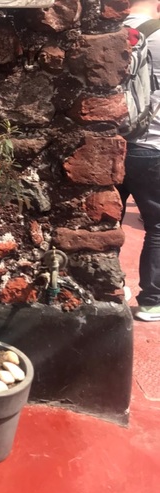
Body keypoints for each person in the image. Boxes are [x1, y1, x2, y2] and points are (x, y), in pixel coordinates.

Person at [118, 0, 160, 321]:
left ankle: (111, 285)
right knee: (157, 227)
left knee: (106, 222)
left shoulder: (110, 33)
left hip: (110, 145)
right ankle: (151, 301)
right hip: (153, 147)